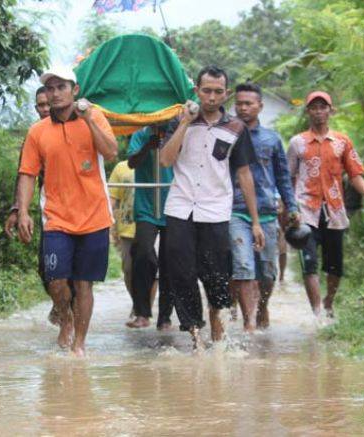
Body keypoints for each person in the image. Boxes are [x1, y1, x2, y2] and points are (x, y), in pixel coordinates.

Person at [160, 66, 264, 349]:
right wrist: (184, 123)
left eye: (218, 91)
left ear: (226, 94)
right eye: (206, 90)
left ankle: (218, 336)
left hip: (216, 210)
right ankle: (196, 338)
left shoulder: (235, 128)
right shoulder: (178, 120)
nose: (212, 97)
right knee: (181, 275)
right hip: (180, 208)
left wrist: (255, 222)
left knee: (217, 275)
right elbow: (166, 161)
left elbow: (244, 174)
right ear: (197, 91)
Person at [17, 66, 118, 357]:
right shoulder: (37, 131)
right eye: (50, 88)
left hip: (94, 215)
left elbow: (111, 152)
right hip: (57, 218)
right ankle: (66, 318)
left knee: (83, 283)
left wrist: (88, 120)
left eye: (61, 87)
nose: (55, 93)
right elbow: (27, 173)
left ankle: (79, 343)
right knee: (57, 280)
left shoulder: (94, 117)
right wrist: (23, 211)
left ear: (75, 90)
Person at [287, 91, 364, 317]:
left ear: (330, 110)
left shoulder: (342, 142)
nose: (319, 111)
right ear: (308, 111)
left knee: (335, 267)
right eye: (314, 107)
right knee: (309, 263)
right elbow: (288, 177)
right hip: (305, 211)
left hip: (334, 211)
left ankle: (328, 302)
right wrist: (289, 208)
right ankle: (318, 313)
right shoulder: (297, 143)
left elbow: (355, 173)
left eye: (323, 107)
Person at [230, 82, 299, 332]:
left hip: (267, 211)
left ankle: (263, 306)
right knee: (243, 266)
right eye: (239, 103)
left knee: (268, 272)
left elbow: (282, 176)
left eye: (248, 103)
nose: (243, 108)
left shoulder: (271, 139)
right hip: (234, 209)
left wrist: (292, 207)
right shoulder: (228, 133)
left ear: (260, 106)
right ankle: (249, 321)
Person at [4, 86, 70, 325]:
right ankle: (61, 308)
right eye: (39, 105)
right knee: (47, 268)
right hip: (50, 210)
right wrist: (17, 209)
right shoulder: (35, 134)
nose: (44, 109)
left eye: (47, 104)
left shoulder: (74, 127)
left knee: (77, 274)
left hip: (79, 208)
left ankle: (71, 321)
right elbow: (25, 174)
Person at [125, 123, 176, 330]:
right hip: (146, 206)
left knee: (171, 262)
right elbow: (132, 163)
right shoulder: (140, 134)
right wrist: (148, 146)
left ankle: (165, 317)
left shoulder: (176, 132)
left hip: (173, 204)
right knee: (143, 255)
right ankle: (142, 312)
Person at [108, 160, 136, 317]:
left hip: (153, 225)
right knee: (128, 270)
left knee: (152, 271)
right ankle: (137, 302)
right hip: (127, 227)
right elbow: (112, 198)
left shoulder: (159, 163)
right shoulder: (121, 168)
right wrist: (108, 223)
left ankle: (142, 309)